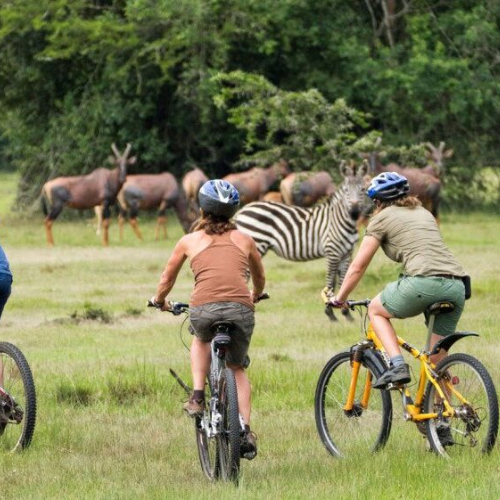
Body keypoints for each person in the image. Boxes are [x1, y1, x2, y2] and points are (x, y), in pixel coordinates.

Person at [151, 179, 266, 459]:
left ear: (202, 209)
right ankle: (245, 429)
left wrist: (160, 300)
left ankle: (198, 396)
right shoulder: (245, 239)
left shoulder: (189, 240)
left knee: (200, 339)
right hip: (241, 309)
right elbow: (260, 276)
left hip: (204, 308)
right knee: (237, 368)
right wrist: (255, 294)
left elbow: (167, 278)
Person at [329, 172, 467, 388]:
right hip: (457, 285)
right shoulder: (424, 213)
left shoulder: (381, 218)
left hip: (423, 282)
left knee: (375, 310)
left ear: (377, 201)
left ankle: (398, 365)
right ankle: (443, 409)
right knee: (436, 360)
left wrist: (340, 298)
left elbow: (357, 266)